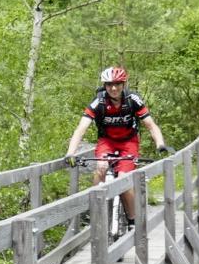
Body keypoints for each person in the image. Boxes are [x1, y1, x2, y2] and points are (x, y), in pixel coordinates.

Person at [63, 66, 168, 229]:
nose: (113, 88)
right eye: (109, 84)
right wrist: (70, 153)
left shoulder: (133, 99)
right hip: (107, 142)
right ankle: (96, 211)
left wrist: (160, 144)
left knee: (123, 179)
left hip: (128, 142)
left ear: (123, 84)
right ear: (104, 85)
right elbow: (80, 129)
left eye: (117, 84)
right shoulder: (98, 102)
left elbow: (150, 125)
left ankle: (133, 220)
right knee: (101, 168)